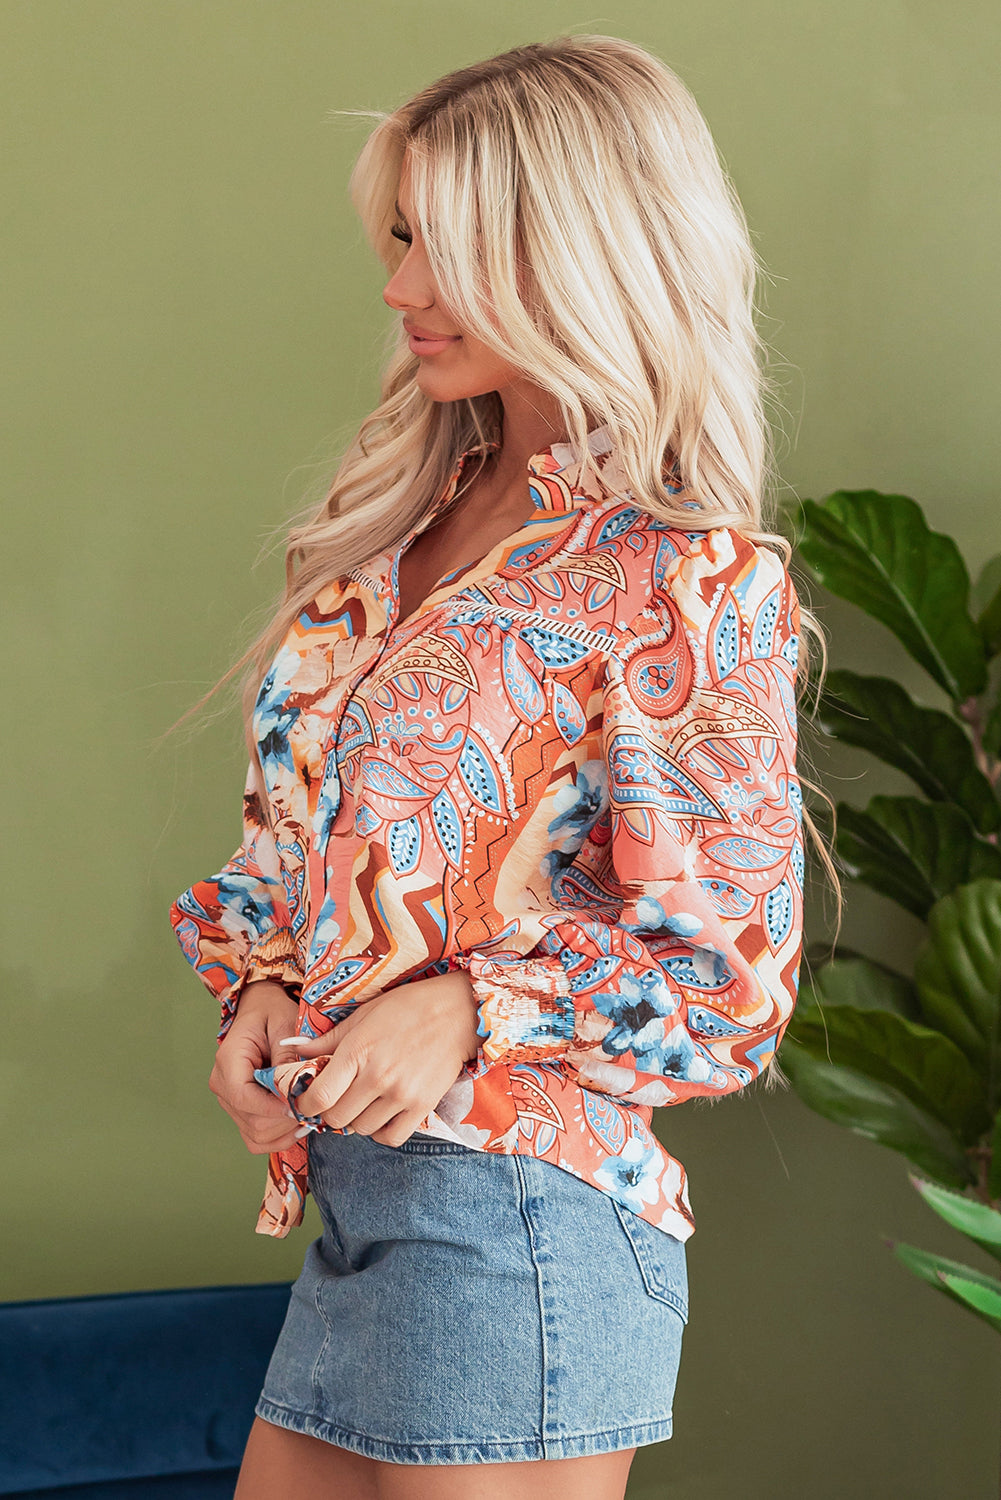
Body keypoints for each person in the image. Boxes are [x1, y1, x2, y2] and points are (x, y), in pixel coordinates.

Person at [169, 33, 805, 1500]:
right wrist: (262, 989)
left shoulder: (682, 579)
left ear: (581, 248)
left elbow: (731, 982)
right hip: (361, 1202)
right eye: (400, 239)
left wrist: (471, 1003)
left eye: (447, 247)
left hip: (526, 1217)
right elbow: (294, 840)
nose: (402, 290)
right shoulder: (389, 529)